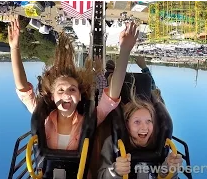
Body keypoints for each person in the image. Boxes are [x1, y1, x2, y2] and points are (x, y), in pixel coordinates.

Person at [8, 16, 139, 150]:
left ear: (80, 96)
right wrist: (14, 48)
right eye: (60, 90)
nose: (66, 94)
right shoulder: (43, 117)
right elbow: (24, 90)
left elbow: (111, 96)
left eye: (72, 90)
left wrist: (125, 50)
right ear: (52, 97)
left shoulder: (88, 121)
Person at [97, 81, 183, 179]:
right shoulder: (112, 142)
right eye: (137, 122)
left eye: (148, 121)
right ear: (127, 125)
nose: (144, 127)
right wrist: (116, 171)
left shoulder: (160, 142)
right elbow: (101, 176)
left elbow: (165, 175)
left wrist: (170, 168)